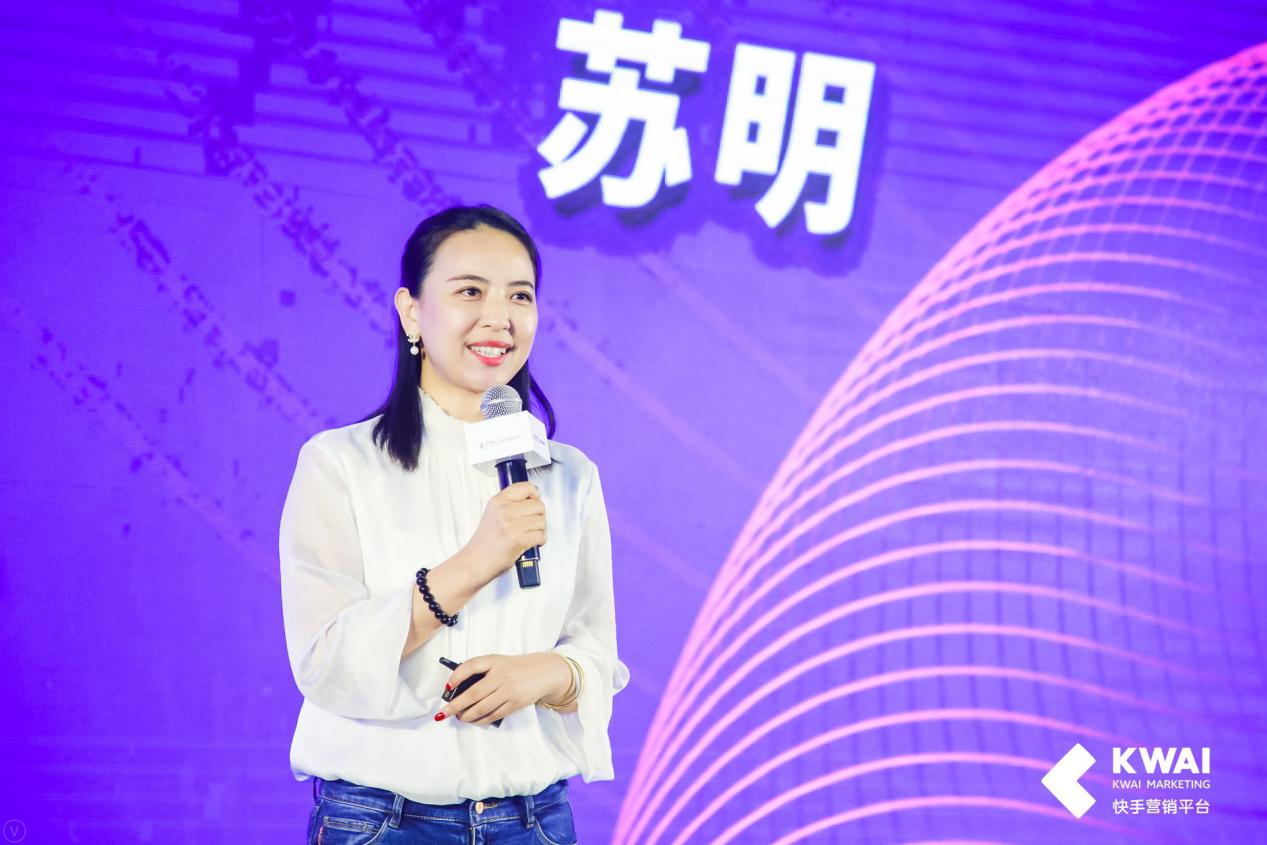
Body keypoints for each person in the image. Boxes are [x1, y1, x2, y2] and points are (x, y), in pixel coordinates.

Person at [279, 204, 629, 844]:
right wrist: (475, 562)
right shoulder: (340, 463)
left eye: (519, 296)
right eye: (470, 291)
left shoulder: (569, 475)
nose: (498, 317)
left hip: (534, 821)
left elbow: (596, 652)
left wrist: (547, 675)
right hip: (382, 821)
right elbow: (325, 660)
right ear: (411, 311)